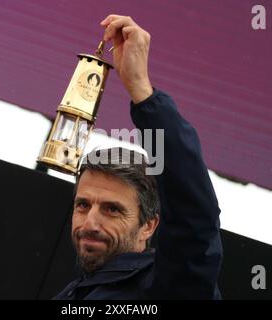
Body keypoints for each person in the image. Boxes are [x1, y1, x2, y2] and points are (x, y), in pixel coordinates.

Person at [55, 14, 223, 300]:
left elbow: (194, 219)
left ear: (149, 225)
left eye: (112, 209)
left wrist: (142, 92)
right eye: (83, 205)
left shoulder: (169, 287)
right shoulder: (74, 294)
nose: (90, 223)